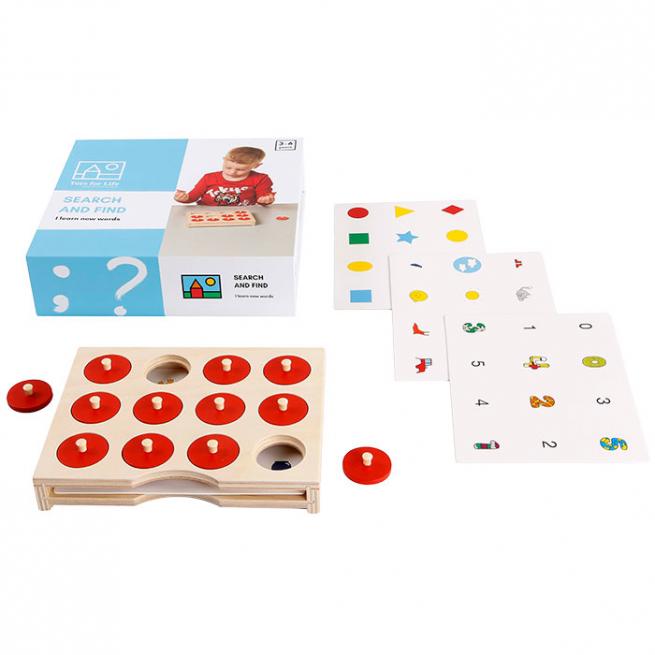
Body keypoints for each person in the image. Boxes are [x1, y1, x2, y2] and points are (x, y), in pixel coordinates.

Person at [174, 146, 275, 206]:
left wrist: (265, 200)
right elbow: (192, 197)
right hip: (207, 214)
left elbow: (262, 199)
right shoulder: (209, 178)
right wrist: (183, 198)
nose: (232, 172)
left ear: (256, 166)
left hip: (243, 215)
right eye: (228, 167)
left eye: (240, 170)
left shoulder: (261, 179)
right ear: (224, 160)